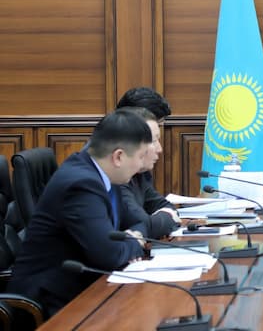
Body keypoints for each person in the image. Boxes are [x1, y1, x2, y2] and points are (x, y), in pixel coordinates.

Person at [8, 109, 152, 316]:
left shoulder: (102, 174)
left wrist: (130, 240)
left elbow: (137, 222)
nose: (141, 165)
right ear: (118, 156)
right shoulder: (81, 184)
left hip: (83, 288)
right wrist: (135, 242)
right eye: (140, 156)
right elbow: (109, 255)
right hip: (48, 303)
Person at [116, 87, 180, 238]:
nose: (159, 148)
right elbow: (142, 225)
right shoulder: (112, 171)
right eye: (153, 139)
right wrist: (165, 218)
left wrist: (162, 217)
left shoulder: (139, 169)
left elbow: (161, 205)